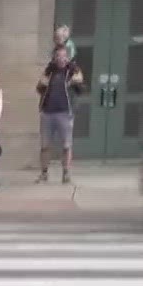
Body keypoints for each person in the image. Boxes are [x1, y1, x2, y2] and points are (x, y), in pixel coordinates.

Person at [36, 43, 84, 183]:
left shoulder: (72, 71)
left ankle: (66, 173)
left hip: (65, 113)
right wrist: (45, 77)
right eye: (58, 56)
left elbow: (80, 87)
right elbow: (39, 88)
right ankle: (44, 173)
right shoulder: (49, 71)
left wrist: (74, 76)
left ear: (67, 57)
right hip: (47, 113)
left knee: (66, 145)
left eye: (63, 56)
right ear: (54, 57)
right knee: (45, 145)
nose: (60, 59)